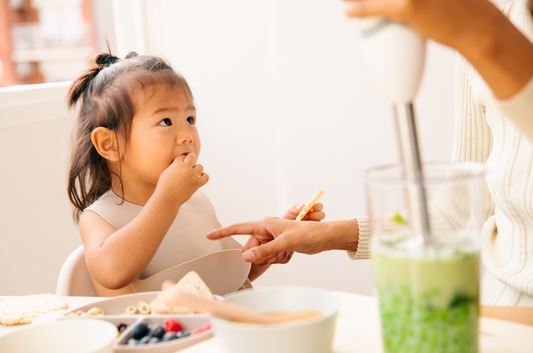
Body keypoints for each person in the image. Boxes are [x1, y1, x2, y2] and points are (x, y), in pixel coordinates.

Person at [207, 0, 533, 307]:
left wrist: (485, 35)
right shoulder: (499, 15)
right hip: (491, 308)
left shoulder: (484, 26)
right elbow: (458, 216)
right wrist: (324, 235)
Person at [66, 51, 325, 297]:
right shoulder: (99, 218)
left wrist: (266, 246)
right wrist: (167, 199)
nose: (186, 136)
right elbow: (112, 272)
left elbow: (227, 280)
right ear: (110, 144)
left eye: (190, 119)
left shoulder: (195, 202)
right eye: (165, 122)